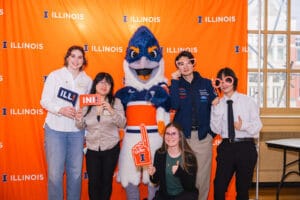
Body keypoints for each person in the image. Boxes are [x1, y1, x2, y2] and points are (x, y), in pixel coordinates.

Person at [40, 45, 92, 200]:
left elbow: (88, 107)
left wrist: (82, 115)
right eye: (73, 56)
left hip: (77, 132)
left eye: (79, 57)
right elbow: (44, 101)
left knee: (76, 173)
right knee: (55, 173)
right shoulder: (55, 76)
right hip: (55, 130)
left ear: (83, 60)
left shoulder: (88, 80)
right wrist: (60, 109)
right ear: (67, 58)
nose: (76, 60)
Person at [169, 50, 218, 200]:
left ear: (193, 63)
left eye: (187, 62)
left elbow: (216, 107)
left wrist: (211, 133)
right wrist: (175, 81)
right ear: (177, 67)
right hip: (183, 138)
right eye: (180, 64)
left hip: (203, 137)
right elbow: (174, 105)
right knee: (183, 176)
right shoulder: (176, 84)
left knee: (202, 177)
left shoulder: (206, 83)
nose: (184, 66)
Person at [210, 67, 262, 200]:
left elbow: (257, 127)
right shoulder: (218, 104)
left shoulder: (248, 101)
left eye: (227, 79)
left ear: (233, 81)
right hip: (226, 147)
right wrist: (215, 109)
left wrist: (242, 126)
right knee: (219, 186)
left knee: (242, 189)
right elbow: (215, 129)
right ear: (217, 84)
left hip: (246, 147)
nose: (224, 84)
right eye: (220, 81)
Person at [75, 72, 126, 200]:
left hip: (111, 148)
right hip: (92, 149)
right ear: (95, 85)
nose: (104, 85)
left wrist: (111, 110)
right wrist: (79, 118)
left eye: (107, 83)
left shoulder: (116, 102)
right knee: (93, 183)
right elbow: (80, 126)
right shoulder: (87, 101)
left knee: (106, 182)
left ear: (111, 87)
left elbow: (122, 123)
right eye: (101, 82)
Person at [147, 122, 198, 200]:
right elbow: (155, 181)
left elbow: (190, 187)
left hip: (184, 196)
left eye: (174, 133)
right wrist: (152, 174)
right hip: (164, 196)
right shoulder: (159, 153)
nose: (170, 137)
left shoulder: (189, 157)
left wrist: (180, 172)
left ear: (180, 137)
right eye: (167, 133)